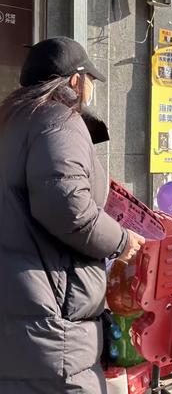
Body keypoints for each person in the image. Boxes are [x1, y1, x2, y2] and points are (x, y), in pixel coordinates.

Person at [0, 37, 145, 394]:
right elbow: (66, 205)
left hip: (17, 301)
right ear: (75, 81)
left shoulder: (12, 120)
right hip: (50, 311)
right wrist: (122, 240)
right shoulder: (59, 119)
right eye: (90, 81)